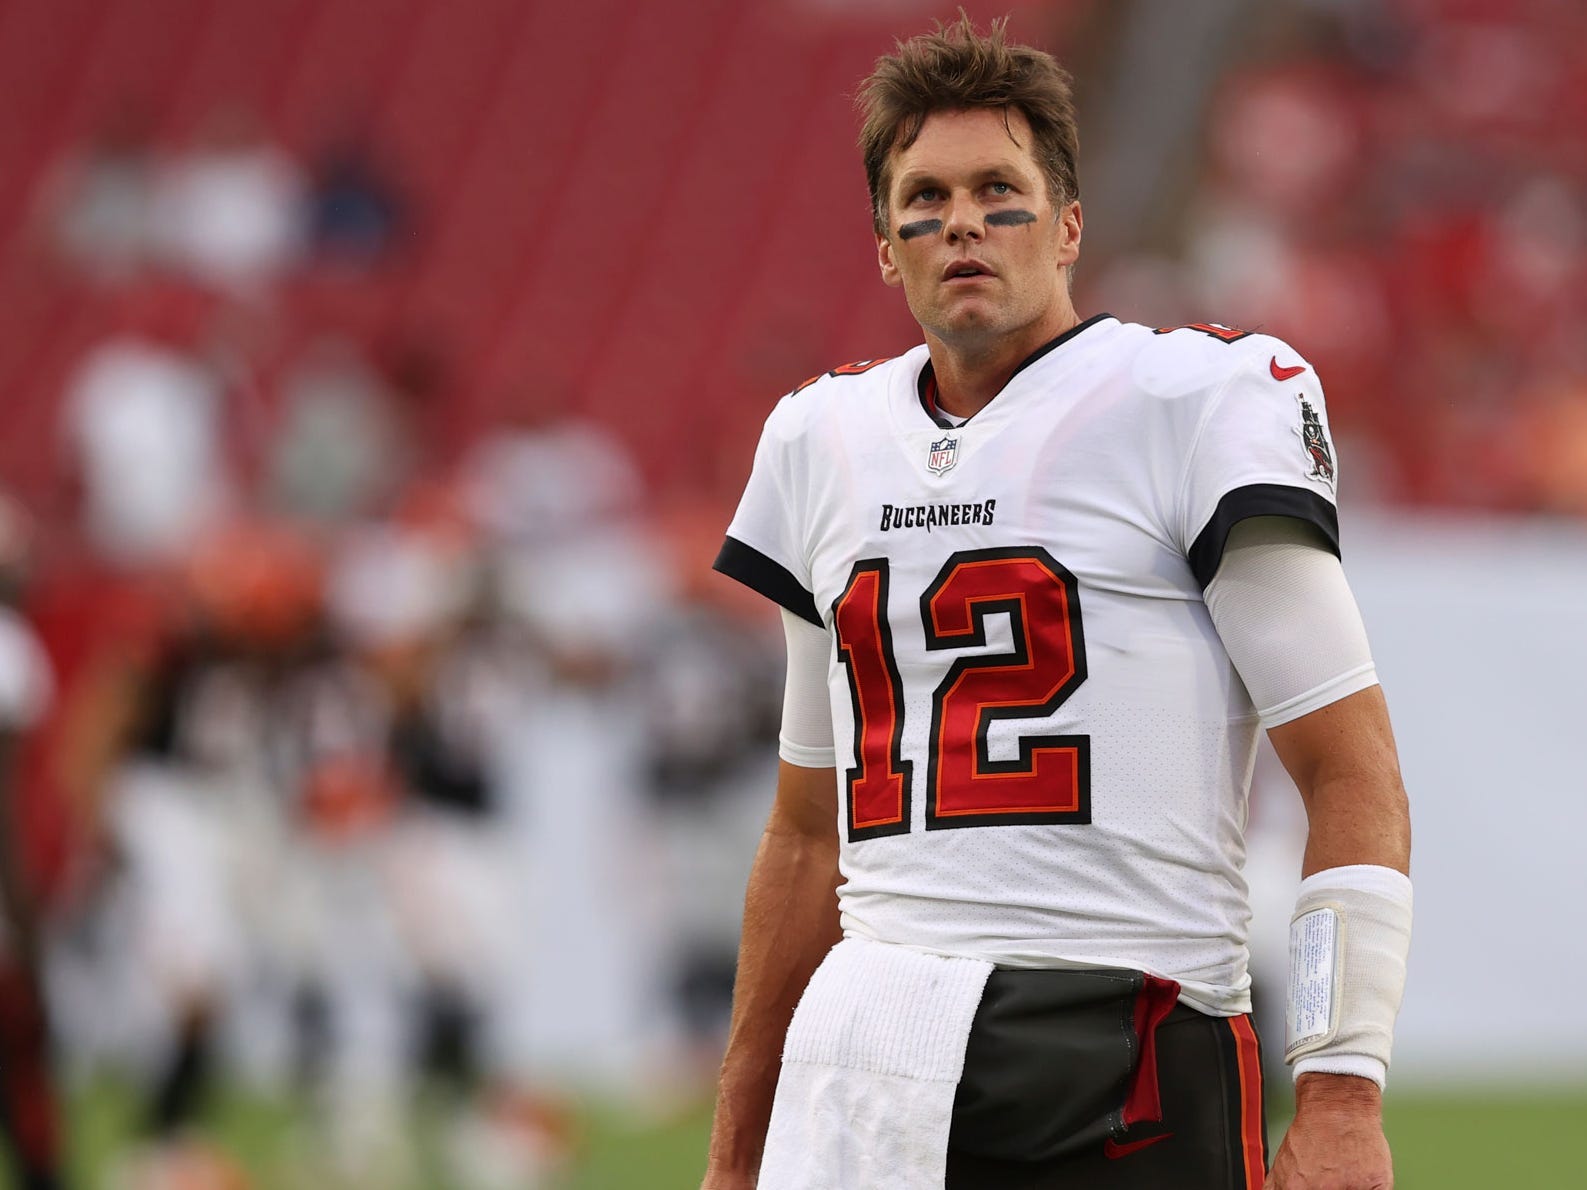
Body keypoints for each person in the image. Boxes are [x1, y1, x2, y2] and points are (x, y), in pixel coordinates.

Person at [704, 15, 1412, 1190]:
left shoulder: (1192, 397)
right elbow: (804, 830)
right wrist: (737, 1146)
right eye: (923, 197)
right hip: (869, 1040)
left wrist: (1341, 1089)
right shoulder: (818, 441)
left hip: (1122, 1023)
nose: (963, 221)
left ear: (1070, 224)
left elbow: (1352, 771)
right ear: (885, 243)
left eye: (1000, 189)